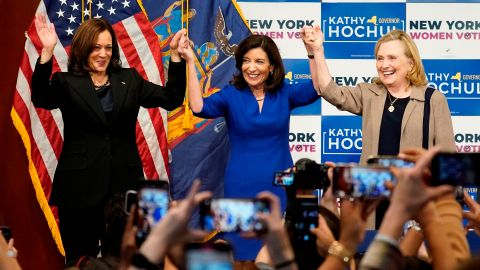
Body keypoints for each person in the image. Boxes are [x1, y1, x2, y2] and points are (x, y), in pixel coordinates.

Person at [31, 14, 187, 264]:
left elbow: (171, 99)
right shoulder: (66, 82)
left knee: (129, 258)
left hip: (124, 186)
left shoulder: (130, 79)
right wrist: (47, 51)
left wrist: (176, 58)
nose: (102, 53)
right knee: (81, 259)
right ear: (83, 49)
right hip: (79, 189)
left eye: (107, 47)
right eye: (95, 47)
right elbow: (40, 98)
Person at [178, 34, 320, 260]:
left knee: (281, 251)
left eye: (259, 62)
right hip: (240, 185)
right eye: (246, 60)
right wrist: (190, 62)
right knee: (241, 252)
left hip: (281, 186)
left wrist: (315, 52)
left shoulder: (285, 92)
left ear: (272, 67)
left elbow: (318, 87)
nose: (251, 67)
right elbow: (198, 106)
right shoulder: (231, 95)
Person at [301, 27, 456, 228]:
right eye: (380, 58)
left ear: (411, 63)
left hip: (416, 208)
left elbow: (448, 159)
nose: (384, 65)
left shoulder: (433, 99)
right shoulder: (369, 94)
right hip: (372, 207)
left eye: (392, 58)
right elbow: (328, 90)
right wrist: (316, 51)